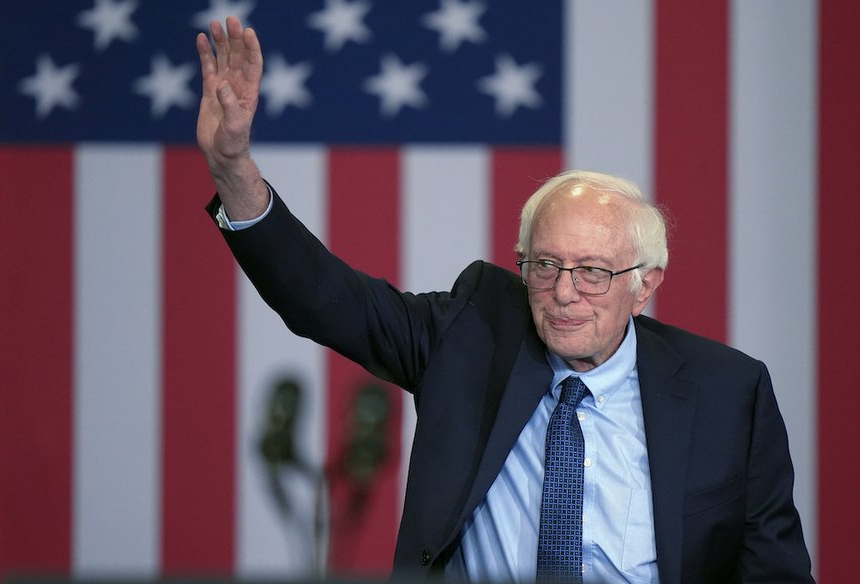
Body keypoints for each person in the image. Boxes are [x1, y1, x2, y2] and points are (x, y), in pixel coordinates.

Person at [196, 16, 814, 584]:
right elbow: (324, 301)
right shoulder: (474, 335)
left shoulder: (728, 393)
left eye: (593, 272)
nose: (564, 293)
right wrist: (233, 170)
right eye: (545, 266)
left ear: (644, 283)